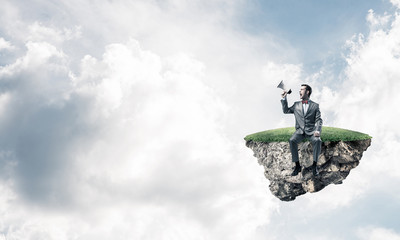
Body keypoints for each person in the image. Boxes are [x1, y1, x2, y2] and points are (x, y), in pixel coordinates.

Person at [281, 84, 323, 176]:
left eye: (302, 89)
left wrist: (318, 131)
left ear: (307, 92)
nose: (299, 91)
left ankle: (314, 166)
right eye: (299, 90)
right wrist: (284, 98)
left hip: (311, 131)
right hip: (299, 131)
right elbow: (286, 111)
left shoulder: (315, 106)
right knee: (292, 140)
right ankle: (297, 166)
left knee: (318, 141)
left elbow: (319, 120)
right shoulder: (296, 105)